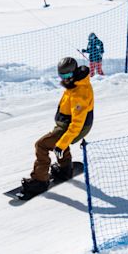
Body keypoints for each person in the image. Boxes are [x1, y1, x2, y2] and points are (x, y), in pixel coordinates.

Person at [16, 56, 94, 199]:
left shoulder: (79, 93)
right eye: (62, 76)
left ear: (74, 72)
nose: (65, 79)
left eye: (68, 75)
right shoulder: (76, 83)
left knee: (42, 145)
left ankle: (40, 181)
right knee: (59, 140)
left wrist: (61, 145)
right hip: (66, 124)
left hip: (76, 126)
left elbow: (76, 124)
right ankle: (65, 170)